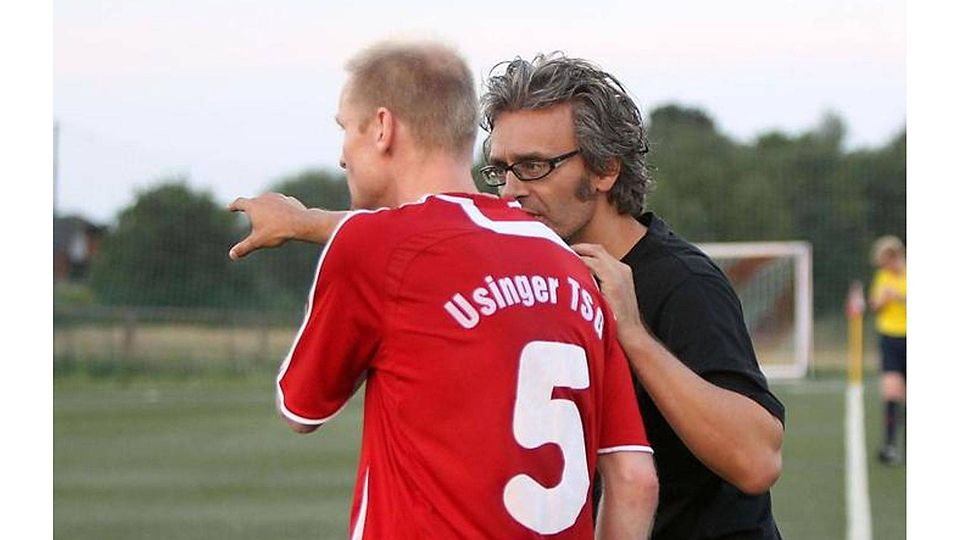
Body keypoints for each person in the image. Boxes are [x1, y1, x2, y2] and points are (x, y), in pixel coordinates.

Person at [231, 52, 786, 539]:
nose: (514, 189)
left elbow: (757, 460)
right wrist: (307, 222)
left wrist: (634, 335)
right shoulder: (547, 265)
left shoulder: (682, 282)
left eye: (535, 167)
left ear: (605, 170)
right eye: (500, 169)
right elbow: (425, 239)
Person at [869, 235, 907, 465]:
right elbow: (874, 304)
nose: (884, 267)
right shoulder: (882, 276)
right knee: (891, 391)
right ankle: (890, 445)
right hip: (889, 338)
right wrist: (881, 301)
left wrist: (899, 296)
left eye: (886, 261)